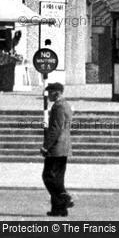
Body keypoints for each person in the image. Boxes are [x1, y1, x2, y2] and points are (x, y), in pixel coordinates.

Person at [41, 82, 74, 216]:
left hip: (56, 148)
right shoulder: (66, 105)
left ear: (57, 92)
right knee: (58, 178)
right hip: (64, 147)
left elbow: (55, 129)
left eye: (50, 92)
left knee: (48, 176)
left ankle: (64, 198)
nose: (48, 95)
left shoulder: (58, 107)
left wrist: (45, 146)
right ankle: (59, 209)